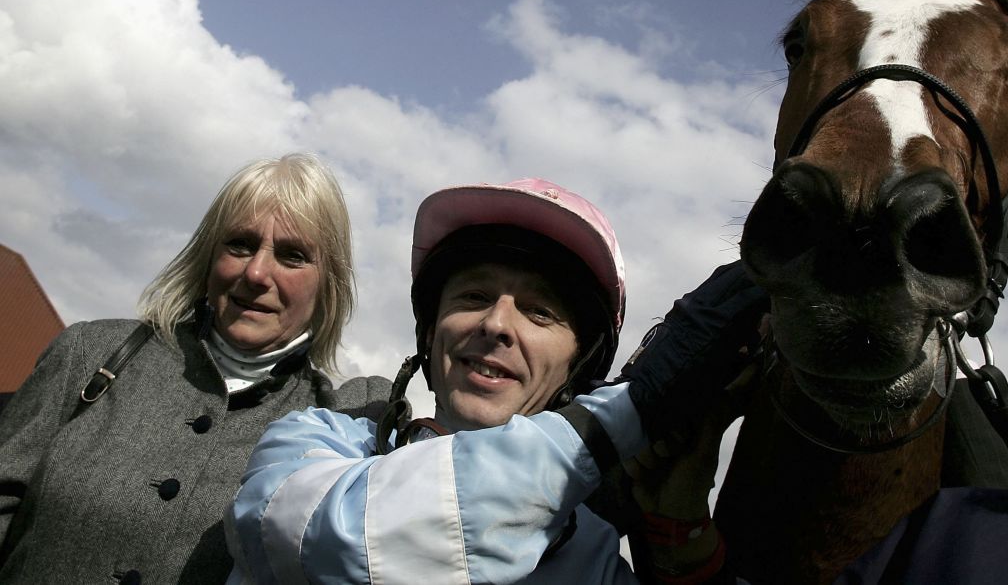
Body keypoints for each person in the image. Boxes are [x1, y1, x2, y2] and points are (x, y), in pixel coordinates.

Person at [226, 178, 767, 584]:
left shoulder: (596, 555)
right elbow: (333, 542)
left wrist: (679, 525)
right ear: (430, 333)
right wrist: (630, 410)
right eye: (474, 297)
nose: (495, 325)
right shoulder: (313, 443)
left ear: (577, 369)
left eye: (538, 313)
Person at [0, 154, 394, 585]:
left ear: (328, 283)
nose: (257, 272)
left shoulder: (338, 426)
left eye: (293, 255)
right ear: (208, 256)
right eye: (240, 244)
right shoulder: (90, 352)